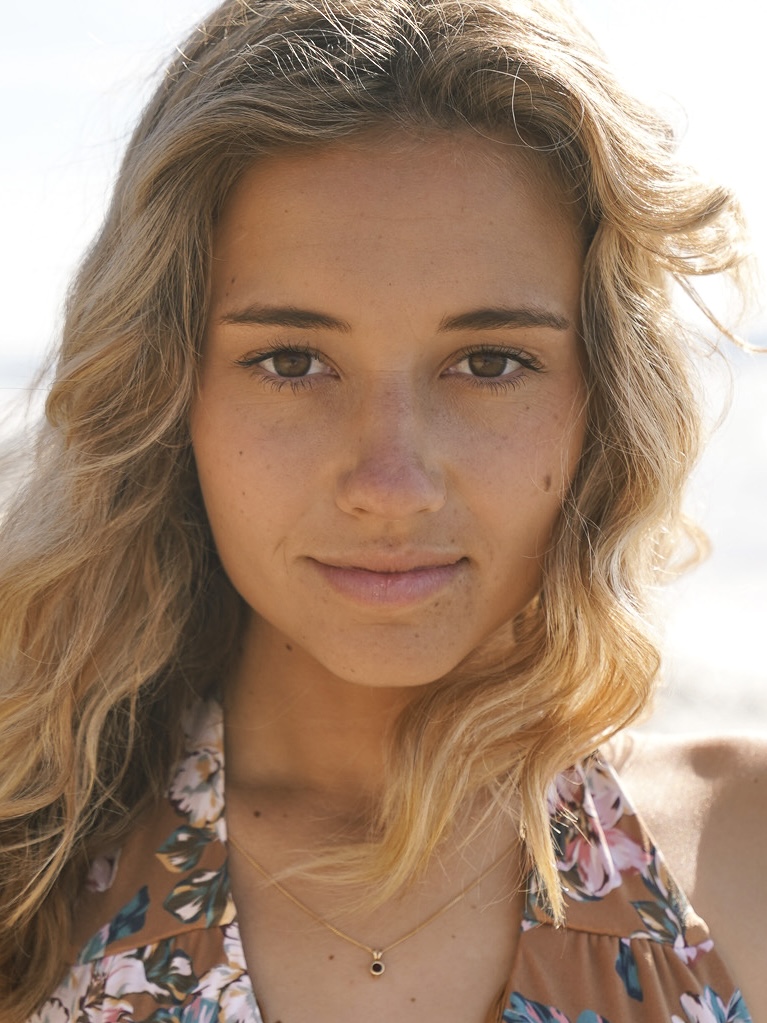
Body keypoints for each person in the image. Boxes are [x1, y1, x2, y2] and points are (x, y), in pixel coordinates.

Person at [0, 0, 764, 1020]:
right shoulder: (27, 872)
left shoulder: (740, 852)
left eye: (488, 363)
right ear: (168, 388)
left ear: (601, 399)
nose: (389, 481)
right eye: (291, 361)